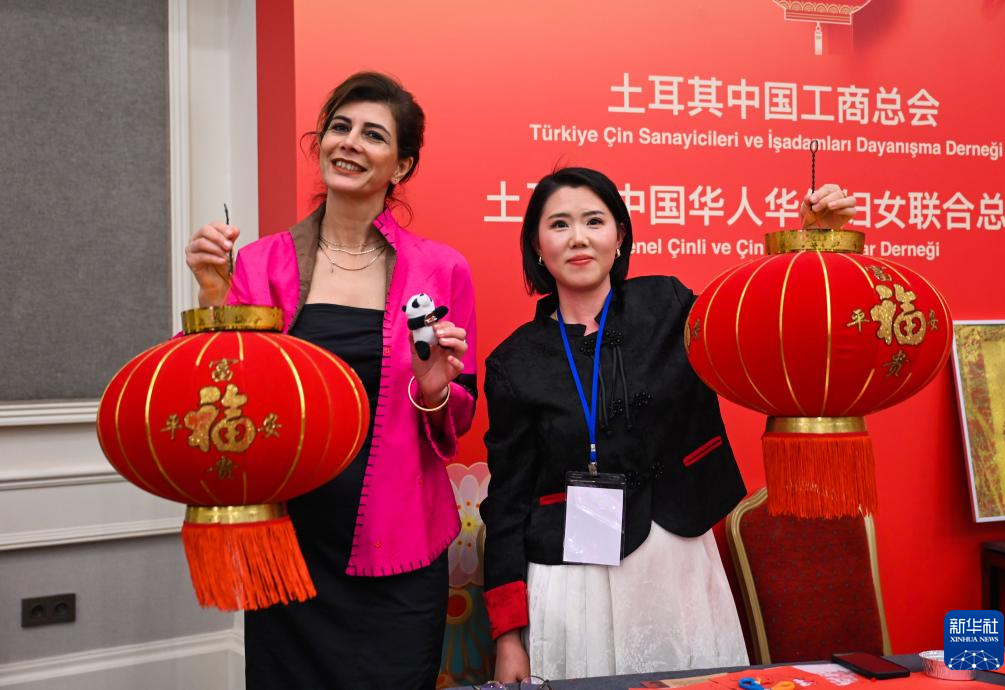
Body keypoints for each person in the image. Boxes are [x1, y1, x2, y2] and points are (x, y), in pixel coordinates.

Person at [480, 167, 856, 681]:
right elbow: (505, 506)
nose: (579, 238)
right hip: (574, 583)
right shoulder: (515, 364)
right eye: (560, 224)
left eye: (594, 221)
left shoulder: (670, 305)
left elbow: (765, 326)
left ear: (620, 236)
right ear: (536, 246)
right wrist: (508, 637)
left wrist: (813, 245)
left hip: (677, 561)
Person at [184, 72, 477, 690]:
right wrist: (214, 295)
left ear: (402, 165)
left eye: (373, 134)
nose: (349, 142)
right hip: (292, 545)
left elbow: (458, 418)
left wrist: (433, 388)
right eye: (339, 127)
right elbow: (229, 395)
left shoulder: (441, 268)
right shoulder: (261, 261)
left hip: (399, 545)